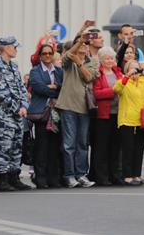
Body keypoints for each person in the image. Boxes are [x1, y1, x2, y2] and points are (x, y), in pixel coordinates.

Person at [55, 21, 97, 188]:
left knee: (82, 144)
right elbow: (68, 53)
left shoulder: (92, 62)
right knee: (68, 143)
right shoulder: (67, 60)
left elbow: (88, 77)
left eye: (87, 44)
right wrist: (81, 33)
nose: (85, 46)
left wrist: (79, 63)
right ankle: (69, 175)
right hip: (68, 106)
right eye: (82, 43)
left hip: (85, 108)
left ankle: (81, 175)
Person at [0, 36, 31, 191]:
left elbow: (22, 89)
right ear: (6, 48)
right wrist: (17, 108)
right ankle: (3, 180)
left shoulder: (14, 66)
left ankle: (15, 177)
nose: (16, 50)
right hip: (4, 116)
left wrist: (25, 105)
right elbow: (1, 94)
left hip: (18, 115)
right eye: (14, 47)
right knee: (4, 147)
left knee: (16, 146)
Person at [115, 59, 144, 185]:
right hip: (127, 120)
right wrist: (127, 76)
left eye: (137, 68)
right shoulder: (124, 81)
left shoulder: (143, 82)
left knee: (139, 149)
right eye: (132, 68)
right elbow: (117, 89)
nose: (135, 71)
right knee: (128, 148)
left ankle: (137, 174)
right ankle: (127, 175)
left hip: (141, 120)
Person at [28, 42, 63, 189]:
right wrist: (54, 89)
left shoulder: (59, 71)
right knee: (42, 146)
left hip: (56, 113)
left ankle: (53, 178)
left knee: (55, 147)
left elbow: (63, 88)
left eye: (50, 53)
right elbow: (38, 88)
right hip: (42, 112)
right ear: (40, 56)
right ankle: (40, 178)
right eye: (44, 54)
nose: (47, 56)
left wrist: (55, 87)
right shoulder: (35, 71)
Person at [92, 46, 122, 186]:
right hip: (103, 115)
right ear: (101, 60)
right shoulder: (98, 74)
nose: (110, 61)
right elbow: (96, 93)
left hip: (118, 114)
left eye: (112, 58)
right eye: (107, 58)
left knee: (115, 147)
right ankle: (102, 176)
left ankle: (114, 175)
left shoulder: (118, 73)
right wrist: (112, 91)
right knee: (102, 147)